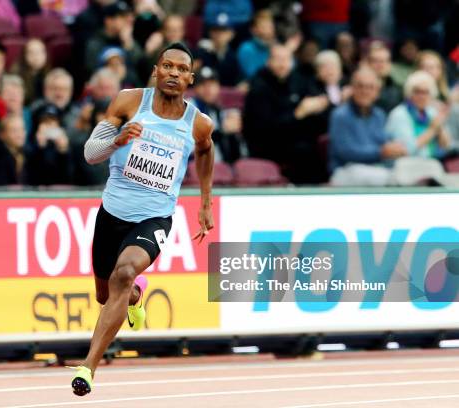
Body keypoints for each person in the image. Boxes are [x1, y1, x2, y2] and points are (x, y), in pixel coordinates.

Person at [71, 42, 214, 396]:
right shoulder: (128, 102)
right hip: (113, 212)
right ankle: (135, 296)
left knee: (123, 271)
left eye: (182, 70)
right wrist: (118, 140)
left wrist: (205, 203)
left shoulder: (199, 124)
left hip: (155, 217)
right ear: (156, 69)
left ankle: (88, 367)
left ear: (190, 79)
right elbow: (90, 154)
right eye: (167, 66)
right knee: (106, 295)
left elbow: (205, 152)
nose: (173, 74)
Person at [243, 44, 330, 184]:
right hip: (269, 146)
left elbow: (318, 105)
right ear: (268, 62)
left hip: (300, 143)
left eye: (286, 59)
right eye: (278, 59)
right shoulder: (259, 87)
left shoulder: (299, 80)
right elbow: (265, 130)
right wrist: (298, 114)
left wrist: (320, 106)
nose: (282, 64)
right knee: (303, 153)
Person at [328, 67, 407, 186]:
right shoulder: (340, 115)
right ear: (352, 88)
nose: (365, 91)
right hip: (346, 170)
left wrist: (395, 148)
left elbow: (384, 142)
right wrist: (380, 152)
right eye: (360, 86)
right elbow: (345, 152)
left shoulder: (379, 115)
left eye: (370, 87)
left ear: (377, 92)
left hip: (375, 168)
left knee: (411, 169)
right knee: (387, 178)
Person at [385, 70, 451, 160]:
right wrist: (432, 130)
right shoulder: (399, 114)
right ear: (409, 93)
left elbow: (446, 146)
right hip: (407, 164)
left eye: (426, 92)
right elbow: (407, 150)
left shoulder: (431, 112)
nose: (422, 96)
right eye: (417, 92)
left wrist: (440, 129)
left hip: (433, 162)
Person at [191, 66, 244, 164]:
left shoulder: (218, 110)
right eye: (203, 84)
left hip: (220, 167)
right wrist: (221, 132)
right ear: (195, 88)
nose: (208, 89)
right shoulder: (188, 109)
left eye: (212, 84)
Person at [194, 12, 242, 87]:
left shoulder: (234, 58)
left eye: (224, 30)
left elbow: (237, 82)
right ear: (210, 32)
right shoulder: (201, 54)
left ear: (232, 34)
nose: (219, 34)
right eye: (216, 30)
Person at [237, 9, 275, 80]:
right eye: (264, 26)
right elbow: (251, 75)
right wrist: (270, 65)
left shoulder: (277, 47)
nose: (269, 30)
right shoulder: (246, 48)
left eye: (270, 26)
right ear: (253, 30)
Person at [10, 38, 51, 104]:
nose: (36, 56)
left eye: (40, 52)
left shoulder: (50, 76)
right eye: (31, 52)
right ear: (24, 55)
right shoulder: (16, 77)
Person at [367, 42, 403, 113]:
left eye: (383, 61)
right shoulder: (357, 89)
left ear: (390, 64)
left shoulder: (398, 91)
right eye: (376, 61)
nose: (380, 65)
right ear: (368, 63)